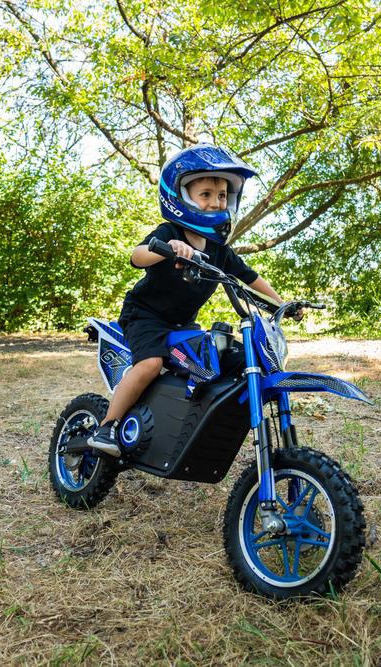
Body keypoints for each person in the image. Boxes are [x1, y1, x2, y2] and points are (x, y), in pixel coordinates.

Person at [88, 143, 289, 456]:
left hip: (183, 324)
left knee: (211, 366)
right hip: (146, 317)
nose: (215, 202)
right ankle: (108, 427)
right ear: (181, 197)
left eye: (222, 195)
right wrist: (166, 247)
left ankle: (175, 429)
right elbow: (137, 256)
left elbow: (251, 278)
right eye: (205, 194)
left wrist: (282, 304)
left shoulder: (220, 250)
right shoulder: (171, 231)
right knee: (150, 364)